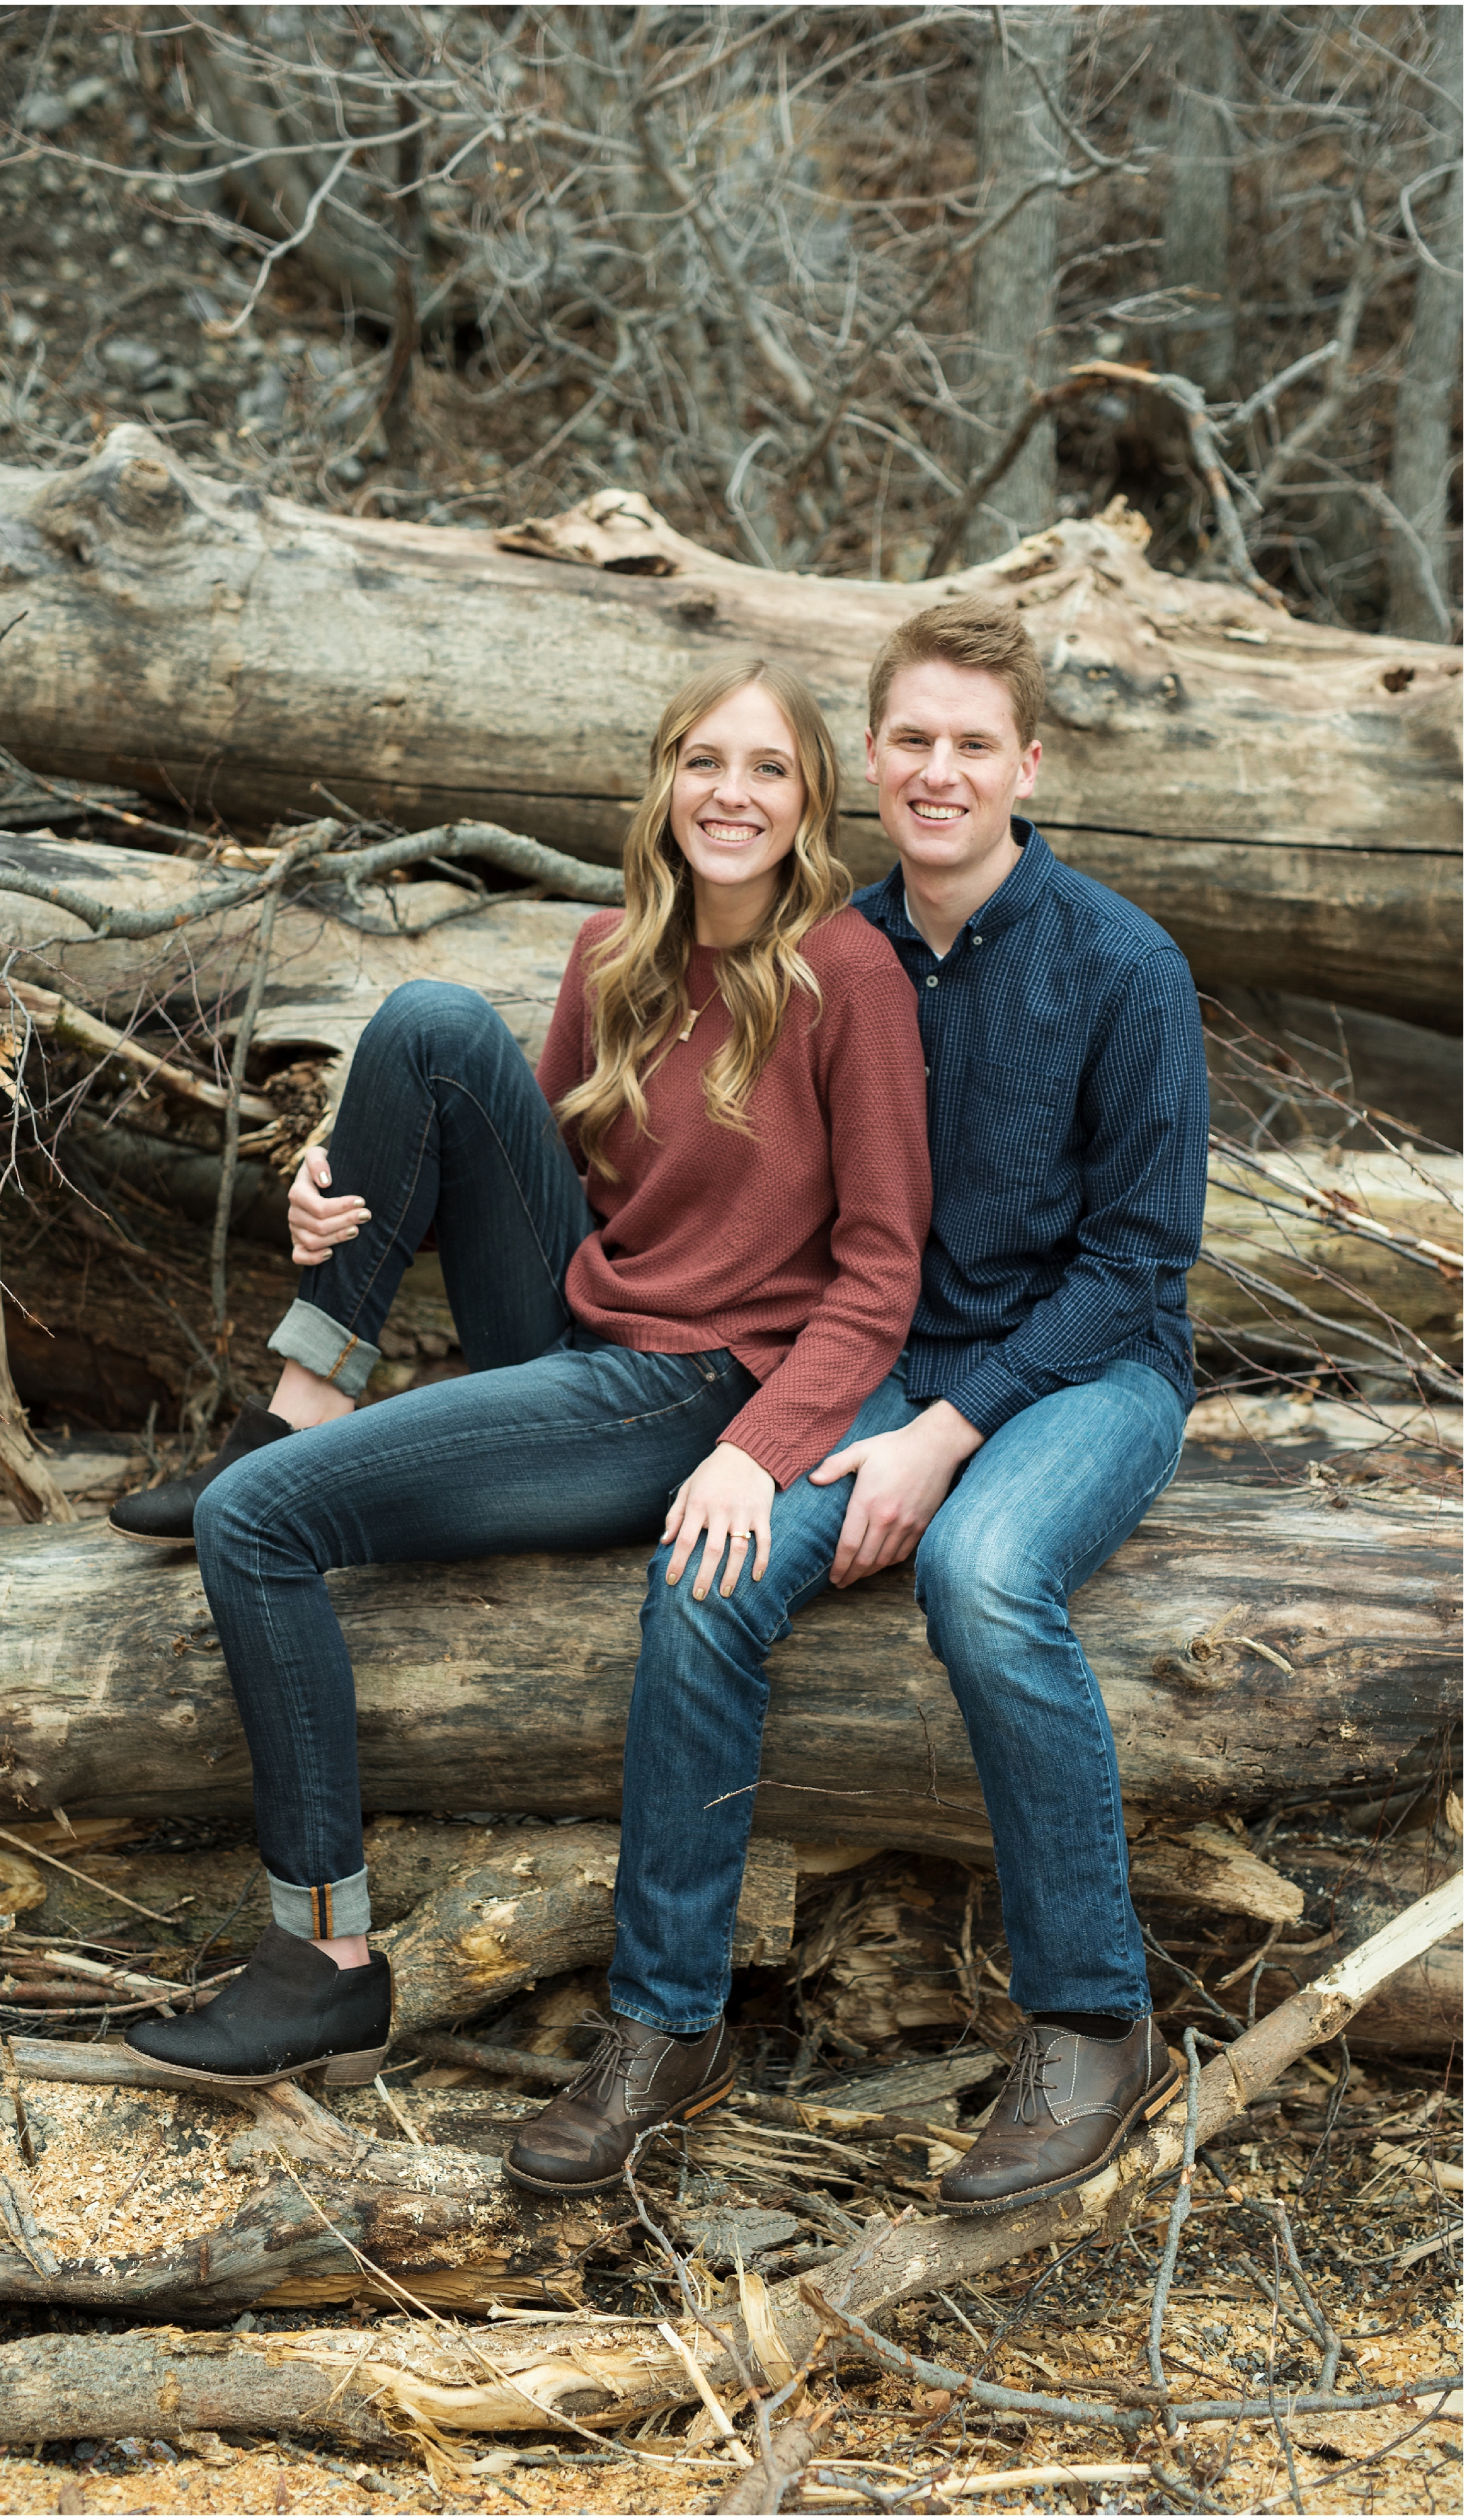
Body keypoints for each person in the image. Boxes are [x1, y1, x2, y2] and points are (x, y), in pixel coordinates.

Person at [118, 659, 933, 2143]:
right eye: (701, 761)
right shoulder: (616, 949)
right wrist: (333, 1192)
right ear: (661, 782)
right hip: (576, 1327)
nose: (728, 795)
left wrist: (757, 1455)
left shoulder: (847, 977)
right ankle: (300, 1396)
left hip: (686, 1393)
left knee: (250, 1525)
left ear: (811, 799)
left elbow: (878, 1279)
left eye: (764, 769)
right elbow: (502, 1158)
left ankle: (322, 1957)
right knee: (430, 1020)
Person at [506, 597, 1209, 2212]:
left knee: (981, 1574)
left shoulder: (1121, 965)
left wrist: (946, 1436)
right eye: (911, 739)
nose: (939, 769)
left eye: (974, 743)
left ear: (1027, 764)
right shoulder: (830, 952)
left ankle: (1092, 2018)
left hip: (1088, 1372)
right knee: (707, 1581)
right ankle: (665, 2027)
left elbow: (1135, 1265)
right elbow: (627, 1124)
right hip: (879, 1362)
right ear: (868, 763)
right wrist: (355, 1186)